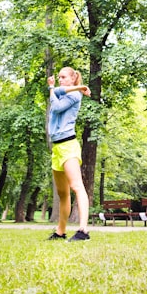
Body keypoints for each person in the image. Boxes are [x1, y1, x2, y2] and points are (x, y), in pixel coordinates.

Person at [47, 66, 91, 242]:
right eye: (59, 77)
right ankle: (60, 231)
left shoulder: (74, 96)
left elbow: (56, 108)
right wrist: (79, 86)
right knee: (62, 193)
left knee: (76, 187)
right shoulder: (62, 92)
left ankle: (83, 231)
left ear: (73, 78)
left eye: (64, 77)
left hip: (68, 145)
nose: (60, 79)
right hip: (57, 148)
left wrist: (77, 89)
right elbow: (57, 90)